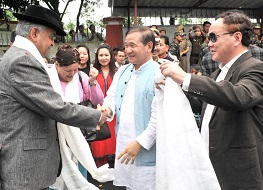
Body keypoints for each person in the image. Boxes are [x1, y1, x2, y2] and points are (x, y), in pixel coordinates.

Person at [0, 5, 107, 189]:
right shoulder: (22, 61)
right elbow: (56, 107)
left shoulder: (16, 56)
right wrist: (97, 116)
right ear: (34, 33)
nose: (52, 43)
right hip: (26, 168)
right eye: (50, 36)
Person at [160, 11, 263, 189]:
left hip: (238, 172)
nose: (209, 43)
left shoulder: (255, 68)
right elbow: (205, 107)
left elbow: (238, 97)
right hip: (213, 168)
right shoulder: (218, 73)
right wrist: (176, 88)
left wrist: (186, 78)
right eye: (209, 37)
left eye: (214, 37)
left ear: (237, 37)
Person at [102, 25, 158, 190]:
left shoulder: (160, 74)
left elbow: (160, 116)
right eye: (126, 45)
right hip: (124, 142)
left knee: (148, 185)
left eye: (133, 45)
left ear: (149, 46)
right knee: (130, 186)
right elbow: (111, 96)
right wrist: (107, 110)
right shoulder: (123, 71)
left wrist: (140, 143)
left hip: (147, 148)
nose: (128, 50)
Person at [91, 43, 117, 169]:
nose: (104, 58)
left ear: (111, 57)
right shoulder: (94, 72)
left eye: (106, 55)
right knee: (100, 140)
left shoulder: (117, 72)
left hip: (113, 111)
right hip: (98, 111)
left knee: (114, 139)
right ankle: (101, 166)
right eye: (101, 55)